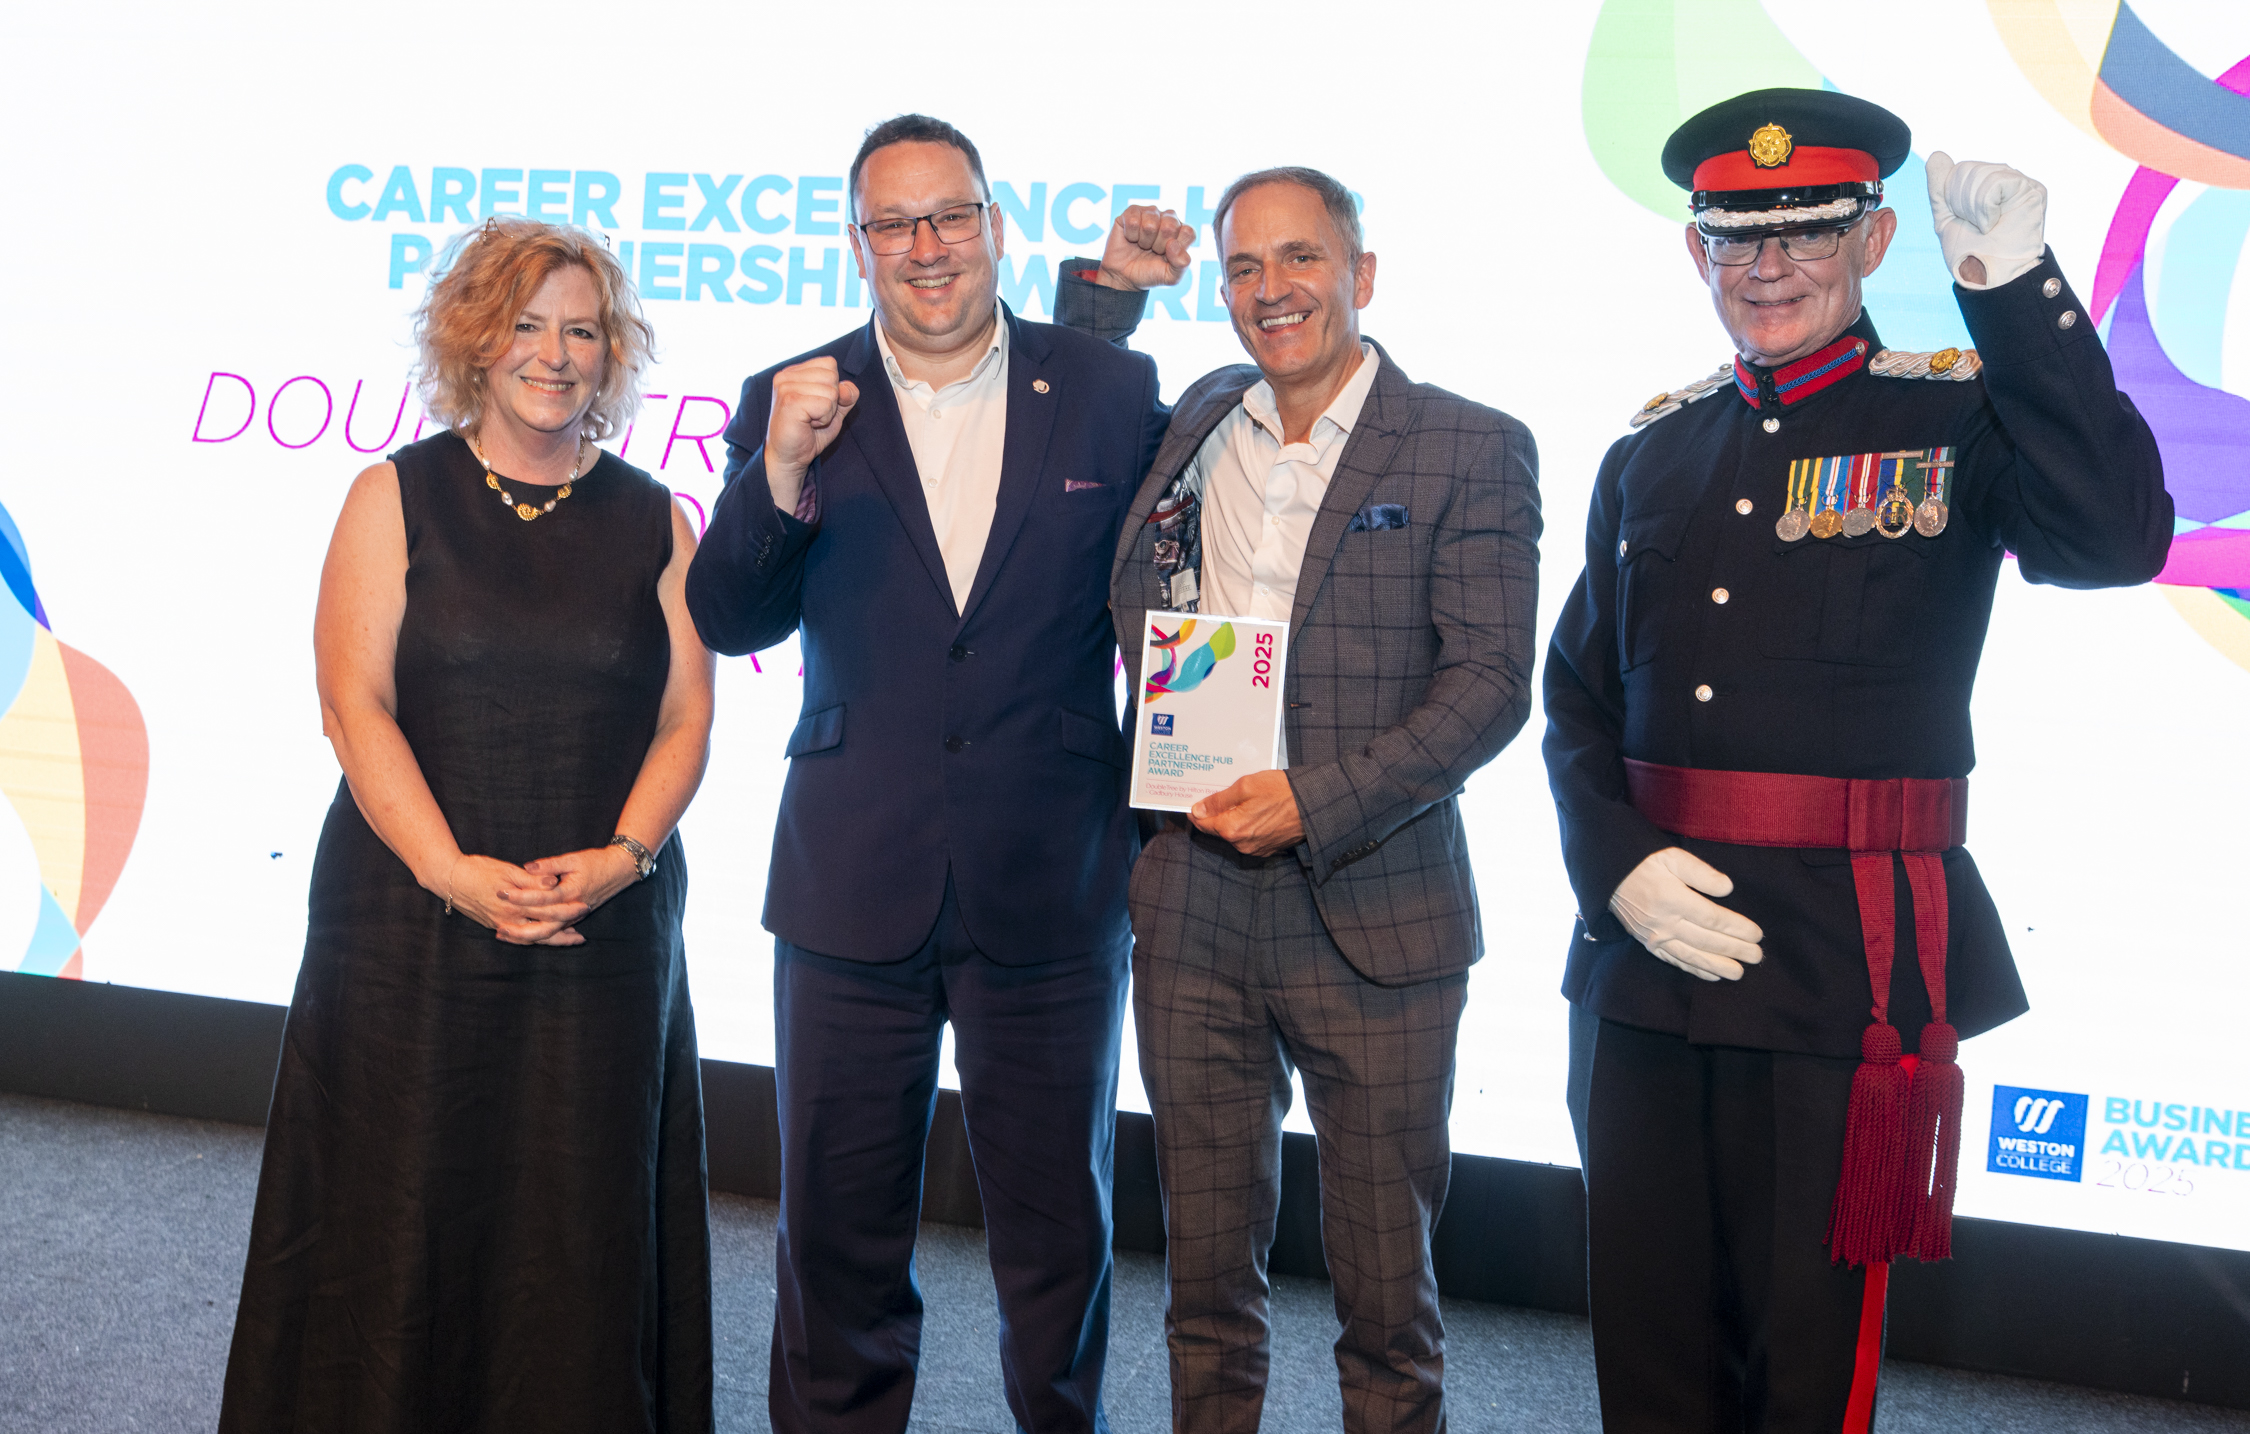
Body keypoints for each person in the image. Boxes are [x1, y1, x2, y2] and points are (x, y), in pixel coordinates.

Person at [1542, 88, 2170, 1431]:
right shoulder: (1650, 450)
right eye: (1733, 236)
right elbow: (1575, 702)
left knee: (1803, 1358)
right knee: (1644, 1345)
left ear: (1874, 239)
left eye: (1805, 231)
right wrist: (1616, 866)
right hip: (1641, 968)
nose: (1764, 266)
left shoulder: (1955, 421)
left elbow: (2117, 539)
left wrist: (2014, 293)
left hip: (1841, 970)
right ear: (1692, 251)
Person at [681, 115, 1182, 1434]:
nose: (925, 246)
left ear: (993, 224)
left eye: (948, 215)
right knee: (835, 1228)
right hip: (852, 881)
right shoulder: (793, 394)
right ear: (858, 243)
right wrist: (778, 468)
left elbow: (1183, 596)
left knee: (1057, 1231)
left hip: (1052, 879)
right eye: (894, 223)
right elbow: (731, 616)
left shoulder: (1107, 389)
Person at [1061, 169, 1541, 1434]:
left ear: (1362, 273)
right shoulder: (1200, 415)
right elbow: (1053, 419)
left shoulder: (1468, 443)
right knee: (1204, 1284)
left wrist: (1315, 802)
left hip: (1371, 906)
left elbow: (1490, 686)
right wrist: (1110, 294)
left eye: (1301, 259)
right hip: (1191, 901)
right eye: (1244, 269)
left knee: (1387, 1303)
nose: (1273, 290)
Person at [220, 217, 716, 1434]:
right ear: (475, 341)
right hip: (406, 923)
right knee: (397, 1209)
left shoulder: (661, 519)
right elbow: (354, 703)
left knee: (579, 1217)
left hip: (602, 928)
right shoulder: (394, 493)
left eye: (582, 330)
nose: (554, 354)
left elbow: (686, 724)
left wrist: (622, 860)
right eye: (526, 325)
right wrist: (452, 872)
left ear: (612, 354)